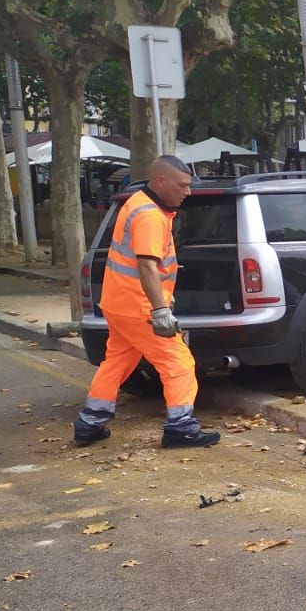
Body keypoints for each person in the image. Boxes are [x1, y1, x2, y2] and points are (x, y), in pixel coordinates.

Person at [73, 156, 221, 450]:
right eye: (182, 186)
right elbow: (146, 266)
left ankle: (90, 423)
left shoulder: (137, 202)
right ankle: (181, 427)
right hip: (140, 307)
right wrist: (160, 309)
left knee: (115, 363)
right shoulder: (150, 215)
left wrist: (163, 294)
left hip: (118, 304)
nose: (187, 192)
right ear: (160, 181)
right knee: (178, 362)